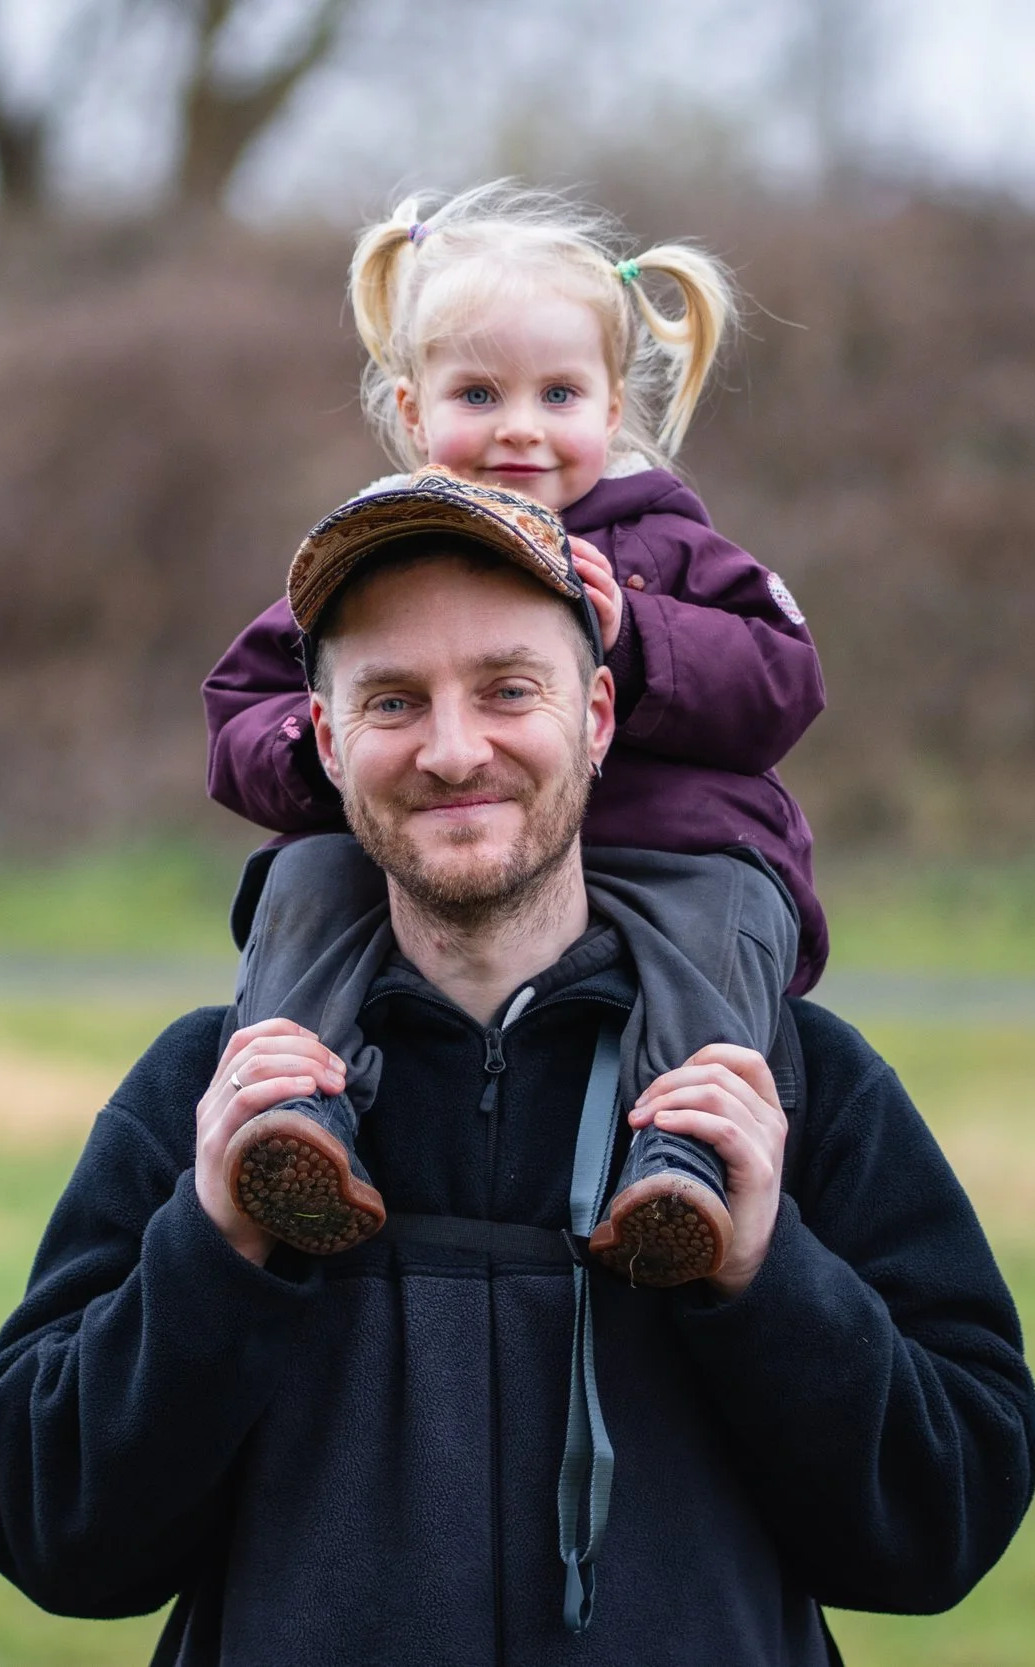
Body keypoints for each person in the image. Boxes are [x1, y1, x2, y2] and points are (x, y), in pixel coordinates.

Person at [0, 495, 1035, 1664]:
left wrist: (768, 1279)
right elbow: (49, 1530)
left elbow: (947, 1520)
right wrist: (213, 1250)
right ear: (323, 738)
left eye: (509, 688)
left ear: (599, 714)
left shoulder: (785, 1086)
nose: (454, 748)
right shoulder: (215, 1091)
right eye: (393, 699)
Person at [205, 184, 826, 1284]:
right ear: (411, 409)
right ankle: (293, 1117)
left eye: (558, 392)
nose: (520, 427)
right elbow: (240, 709)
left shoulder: (666, 547)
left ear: (611, 408)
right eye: (478, 392)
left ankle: (681, 1159)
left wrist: (639, 636)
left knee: (723, 920)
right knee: (303, 878)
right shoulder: (376, 557)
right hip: (434, 859)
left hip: (679, 846)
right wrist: (332, 755)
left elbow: (784, 678)